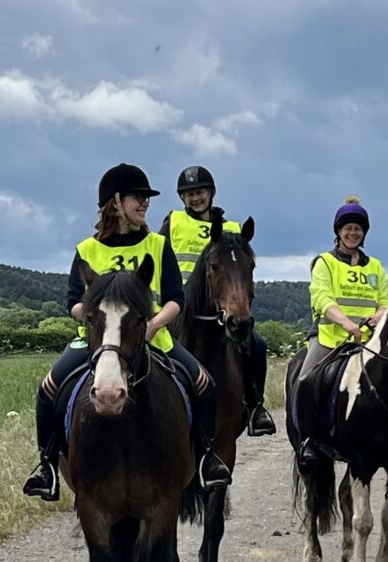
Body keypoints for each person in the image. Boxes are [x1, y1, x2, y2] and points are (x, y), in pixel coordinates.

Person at [22, 163, 233, 501]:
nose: (145, 204)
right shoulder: (87, 250)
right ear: (115, 202)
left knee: (204, 383)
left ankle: (207, 459)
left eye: (147, 199)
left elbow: (175, 300)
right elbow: (73, 303)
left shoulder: (156, 244)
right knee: (48, 388)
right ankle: (46, 465)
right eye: (139, 198)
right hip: (96, 341)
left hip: (151, 339)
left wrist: (153, 324)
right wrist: (94, 319)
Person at [157, 165, 276, 437]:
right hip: (180, 309)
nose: (195, 198)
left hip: (221, 309)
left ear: (210, 193)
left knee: (257, 343)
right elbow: (159, 260)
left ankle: (256, 406)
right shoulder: (173, 223)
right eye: (188, 194)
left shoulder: (232, 229)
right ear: (182, 199)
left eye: (199, 192)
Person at [294, 195, 388, 471]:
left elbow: (386, 301)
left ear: (364, 234)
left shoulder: (375, 267)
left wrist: (378, 316)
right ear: (338, 231)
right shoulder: (324, 262)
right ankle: (309, 442)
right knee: (306, 380)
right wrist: (347, 324)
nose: (352, 233)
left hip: (369, 341)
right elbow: (322, 299)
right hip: (330, 338)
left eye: (358, 229)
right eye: (347, 228)